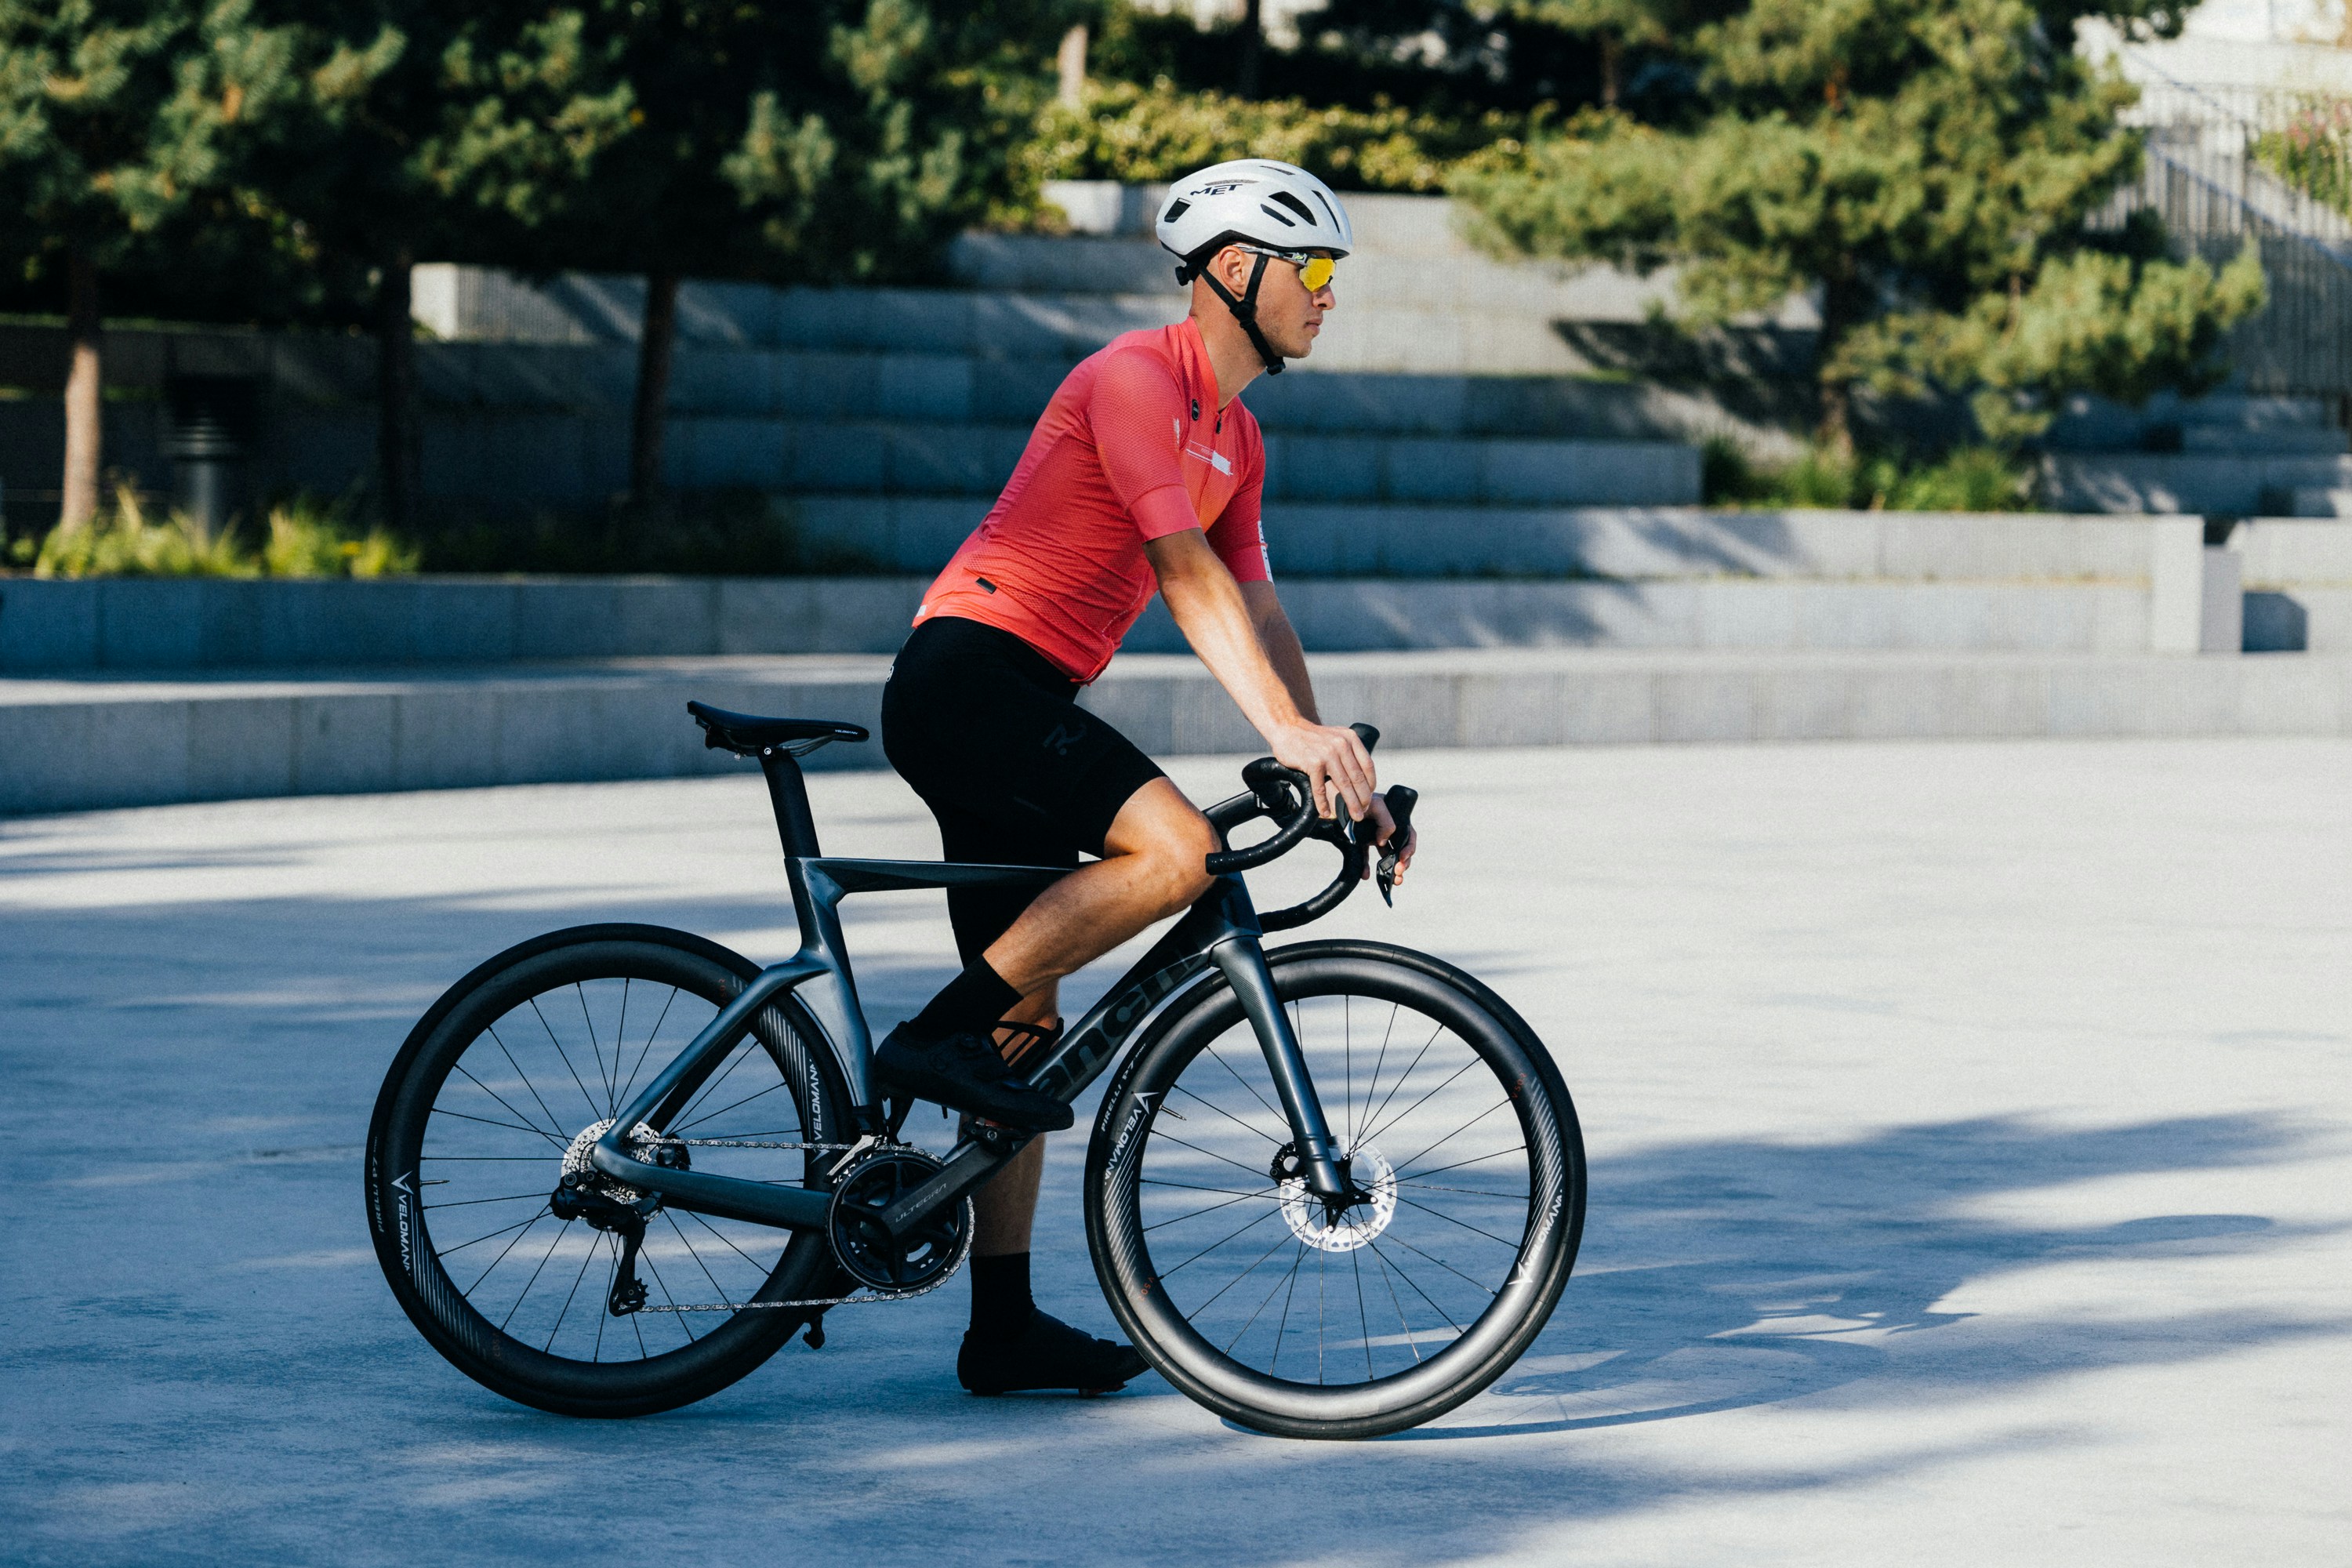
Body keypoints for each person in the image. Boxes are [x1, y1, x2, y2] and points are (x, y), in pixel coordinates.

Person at [877, 159, 1417, 1398]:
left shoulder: (1239, 434)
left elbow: (1256, 604)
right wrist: (1281, 731)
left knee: (1026, 1031)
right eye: (1314, 268)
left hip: (1026, 702)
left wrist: (1333, 760)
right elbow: (1181, 573)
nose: (1330, 294)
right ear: (1236, 270)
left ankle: (1000, 1327)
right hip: (968, 680)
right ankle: (925, 1041)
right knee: (1179, 855)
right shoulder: (1131, 380)